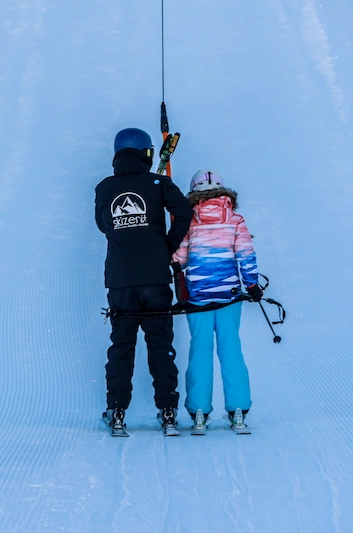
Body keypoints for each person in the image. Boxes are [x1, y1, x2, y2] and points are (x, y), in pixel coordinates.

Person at [95, 127, 193, 433]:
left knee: (121, 346)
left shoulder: (104, 187)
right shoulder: (159, 183)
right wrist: (167, 245)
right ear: (147, 153)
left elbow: (103, 224)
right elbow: (184, 211)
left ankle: (117, 411)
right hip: (154, 278)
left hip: (120, 281)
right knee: (160, 345)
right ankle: (168, 411)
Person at [171, 169, 262, 431]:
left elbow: (180, 260)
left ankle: (199, 410)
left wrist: (173, 243)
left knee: (200, 349)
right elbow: (245, 254)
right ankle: (238, 410)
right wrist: (252, 284)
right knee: (231, 348)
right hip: (229, 297)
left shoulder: (188, 221)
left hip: (197, 296)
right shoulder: (235, 220)